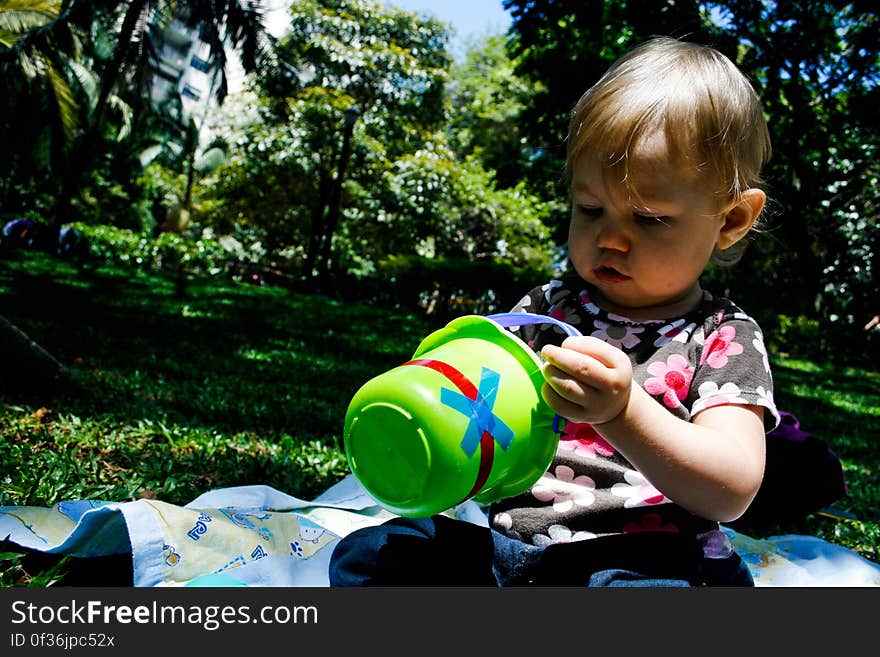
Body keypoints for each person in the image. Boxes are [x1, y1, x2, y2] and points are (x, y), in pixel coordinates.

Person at [329, 36, 780, 587]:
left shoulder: (721, 336)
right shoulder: (546, 309)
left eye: (650, 219)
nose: (611, 238)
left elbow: (731, 488)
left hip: (640, 555)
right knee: (374, 554)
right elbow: (477, 405)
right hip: (509, 543)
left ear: (731, 221)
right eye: (591, 209)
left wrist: (622, 413)